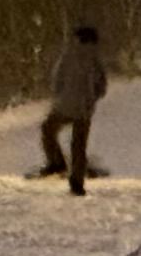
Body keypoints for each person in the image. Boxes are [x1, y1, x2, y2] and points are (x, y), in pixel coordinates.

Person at [34, 22, 109, 194]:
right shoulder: (95, 60)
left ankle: (56, 162)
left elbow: (56, 80)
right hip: (84, 110)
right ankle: (76, 182)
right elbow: (102, 86)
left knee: (48, 130)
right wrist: (92, 99)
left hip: (64, 106)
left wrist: (59, 97)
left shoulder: (68, 55)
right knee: (78, 146)